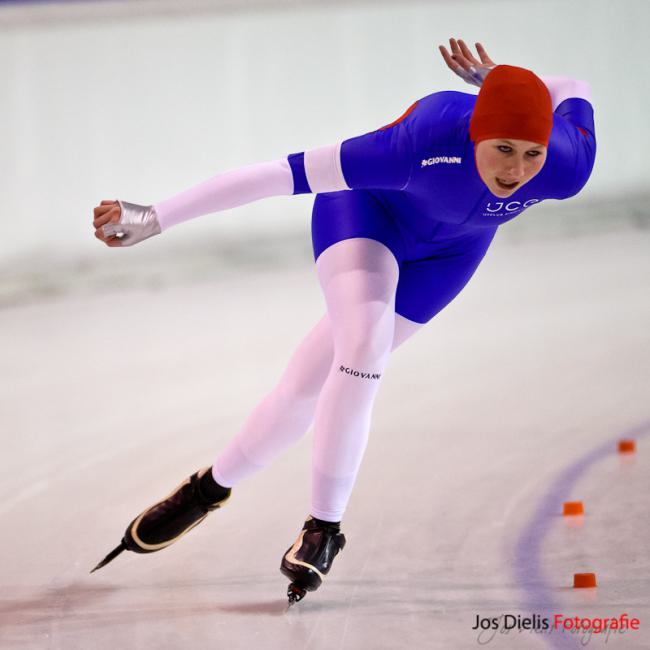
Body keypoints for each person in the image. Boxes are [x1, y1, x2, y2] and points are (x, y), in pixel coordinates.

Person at [90, 39, 596, 605]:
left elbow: (572, 86)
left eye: (532, 153)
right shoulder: (419, 142)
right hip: (363, 215)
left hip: (449, 256)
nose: (517, 171)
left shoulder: (567, 165)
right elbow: (273, 176)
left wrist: (502, 78)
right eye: (503, 148)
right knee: (364, 344)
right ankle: (324, 529)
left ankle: (208, 489)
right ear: (476, 131)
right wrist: (155, 218)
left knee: (307, 383)